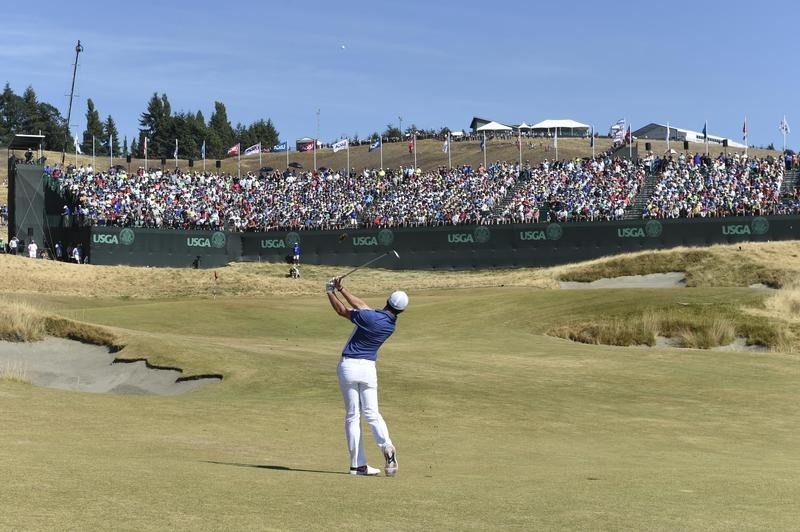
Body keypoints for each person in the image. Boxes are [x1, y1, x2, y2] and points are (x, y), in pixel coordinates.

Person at [325, 276, 406, 476]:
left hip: (349, 367)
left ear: (387, 300)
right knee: (372, 413)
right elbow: (362, 306)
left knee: (353, 416)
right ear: (400, 311)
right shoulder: (389, 324)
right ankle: (387, 446)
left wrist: (329, 291)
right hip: (369, 369)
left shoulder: (370, 317)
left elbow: (341, 311)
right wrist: (342, 289)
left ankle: (358, 464)